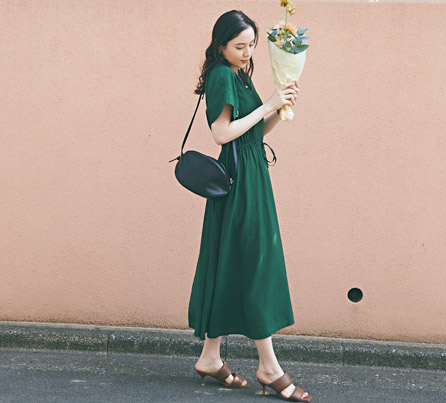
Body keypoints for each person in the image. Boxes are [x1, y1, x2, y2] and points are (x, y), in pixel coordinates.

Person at [187, 10, 312, 403]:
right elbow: (221, 134)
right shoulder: (222, 76)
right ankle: (269, 367)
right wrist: (267, 103)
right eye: (239, 46)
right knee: (256, 265)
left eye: (252, 45)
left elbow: (254, 133)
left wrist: (279, 107)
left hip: (253, 174)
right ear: (221, 45)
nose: (247, 52)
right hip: (239, 182)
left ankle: (210, 358)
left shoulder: (240, 74)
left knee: (234, 263)